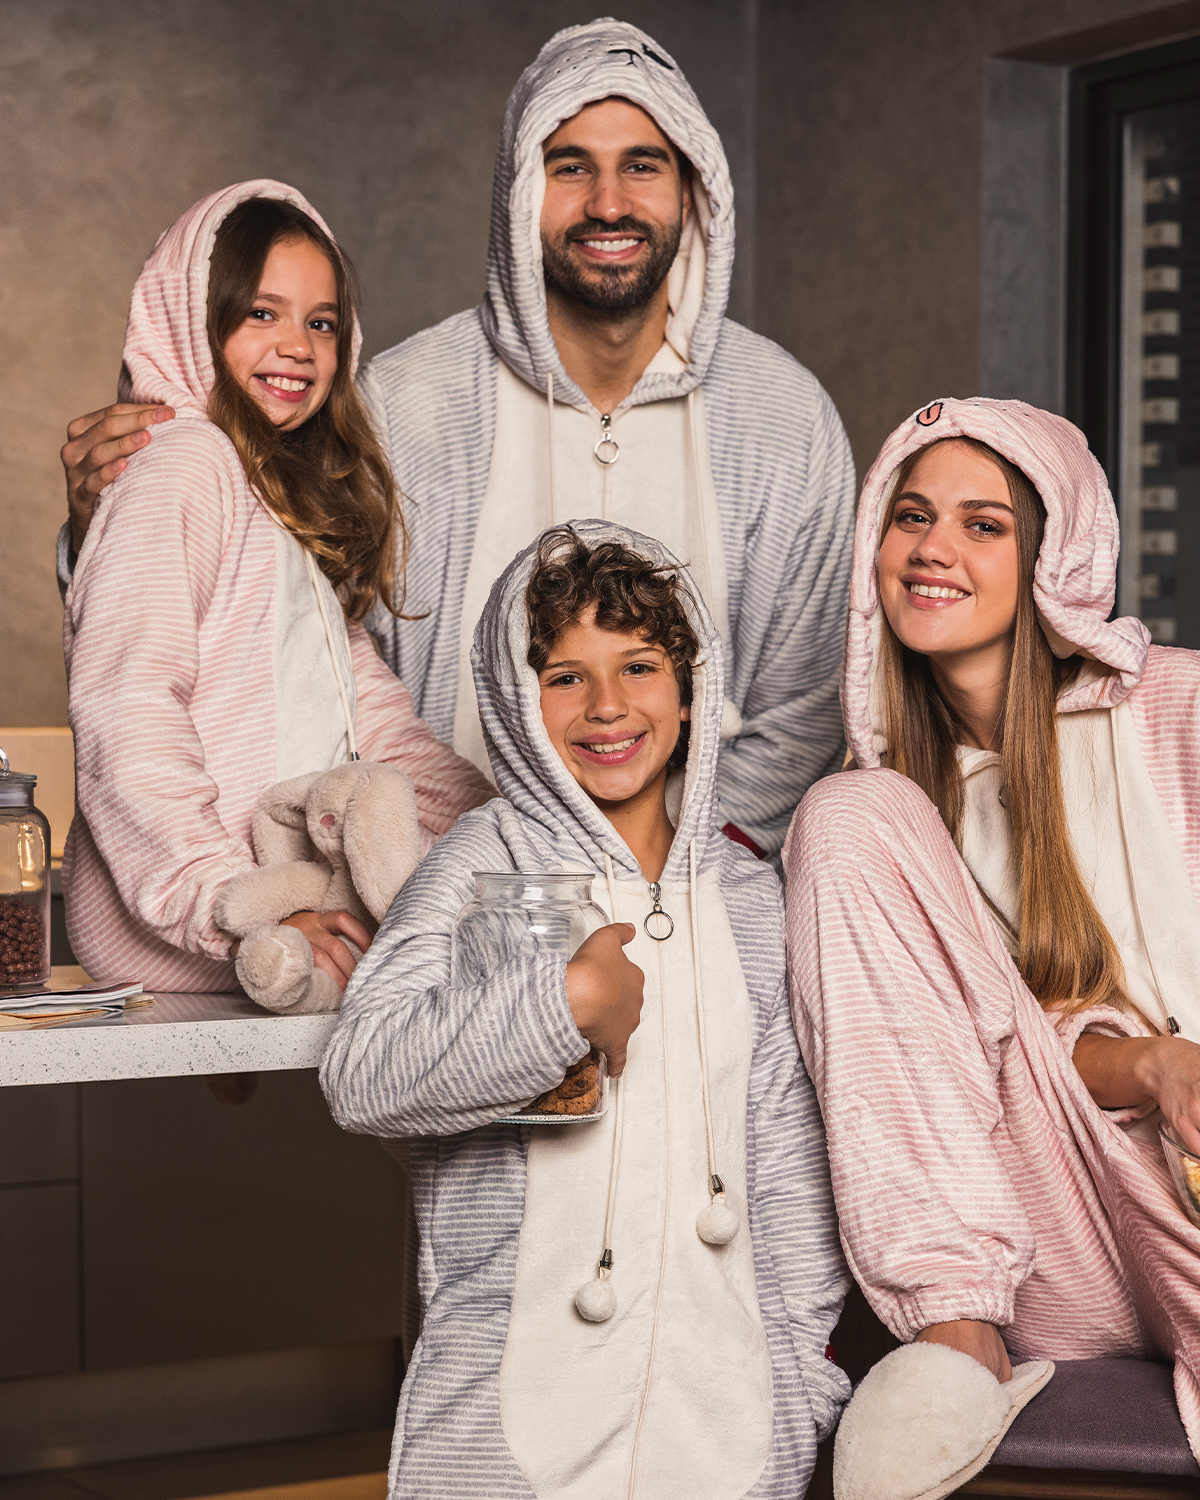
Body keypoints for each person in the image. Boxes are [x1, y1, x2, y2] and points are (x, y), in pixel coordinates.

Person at [60, 18, 855, 862]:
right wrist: (98, 529)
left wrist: (669, 869)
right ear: (518, 192)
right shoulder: (397, 404)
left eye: (642, 165)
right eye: (569, 166)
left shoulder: (787, 418)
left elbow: (802, 714)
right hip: (440, 884)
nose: (608, 203)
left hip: (702, 881)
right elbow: (279, 640)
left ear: (694, 190)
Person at [320, 521, 849, 1498]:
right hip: (502, 1442)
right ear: (518, 703)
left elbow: (787, 1163)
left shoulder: (749, 896)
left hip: (729, 1442)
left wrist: (798, 1391)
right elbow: (362, 1074)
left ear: (690, 692)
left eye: (639, 666)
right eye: (566, 676)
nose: (607, 705)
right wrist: (561, 1005)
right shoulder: (480, 863)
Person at [784, 397, 1200, 1476]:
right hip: (1060, 1245)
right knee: (849, 811)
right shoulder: (899, 820)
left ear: (1053, 559)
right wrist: (1151, 1063)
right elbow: (1021, 1066)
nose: (934, 548)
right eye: (911, 516)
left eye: (983, 524)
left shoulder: (1176, 708)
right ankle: (956, 1338)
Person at [63, 182, 493, 993]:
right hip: (195, 914)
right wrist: (224, 898)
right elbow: (128, 706)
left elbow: (375, 724)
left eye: (321, 323)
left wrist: (506, 827)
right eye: (262, 313)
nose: (297, 345)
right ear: (194, 317)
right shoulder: (180, 464)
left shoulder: (274, 504)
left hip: (279, 895)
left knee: (479, 916)